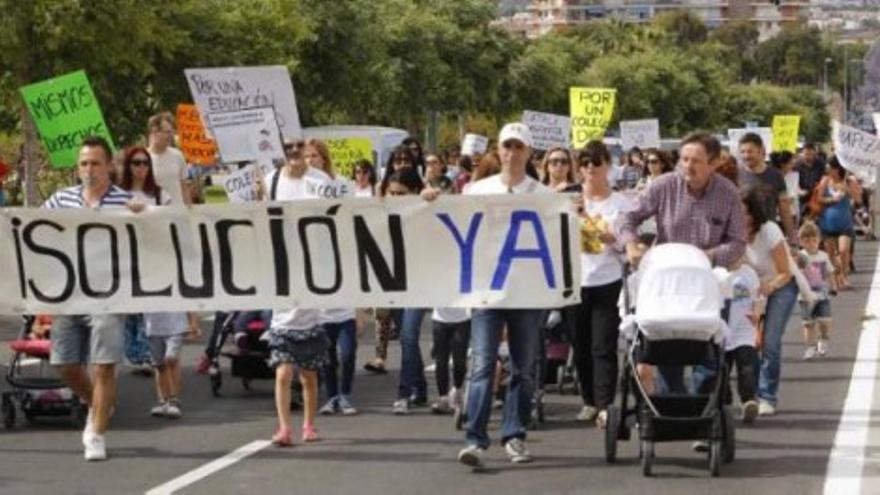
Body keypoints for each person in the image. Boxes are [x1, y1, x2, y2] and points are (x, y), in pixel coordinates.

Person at [424, 122, 550, 468]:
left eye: (518, 147)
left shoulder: (542, 195)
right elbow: (452, 225)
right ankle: (476, 439)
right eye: (506, 147)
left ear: (528, 152)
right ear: (498, 150)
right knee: (482, 365)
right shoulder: (477, 189)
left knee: (524, 368)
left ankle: (514, 435)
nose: (511, 153)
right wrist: (434, 201)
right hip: (486, 293)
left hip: (526, 294)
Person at [620, 131, 747, 394]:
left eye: (696, 161)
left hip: (708, 283)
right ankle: (674, 407)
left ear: (712, 164)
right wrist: (631, 244)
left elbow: (738, 243)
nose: (688, 166)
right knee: (667, 350)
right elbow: (628, 218)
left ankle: (700, 406)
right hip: (668, 282)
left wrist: (707, 256)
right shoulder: (663, 186)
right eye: (684, 159)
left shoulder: (729, 194)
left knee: (710, 358)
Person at [42, 136, 140, 461]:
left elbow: (157, 235)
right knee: (64, 363)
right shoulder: (60, 200)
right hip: (69, 296)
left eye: (96, 163)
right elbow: (30, 232)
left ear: (110, 165)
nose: (89, 169)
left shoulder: (126, 201)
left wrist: (145, 214)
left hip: (109, 296)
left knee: (104, 366)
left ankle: (97, 434)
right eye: (84, 163)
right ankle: (98, 404)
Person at [261, 141, 333, 446]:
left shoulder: (320, 181)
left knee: (308, 375)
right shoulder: (270, 180)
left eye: (297, 145)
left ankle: (308, 425)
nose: (292, 151)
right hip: (282, 274)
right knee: (282, 372)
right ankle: (283, 427)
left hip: (312, 276)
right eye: (286, 145)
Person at [570, 141, 632, 427]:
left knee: (602, 344)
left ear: (608, 165)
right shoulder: (569, 198)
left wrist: (614, 241)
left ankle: (605, 402)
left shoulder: (620, 203)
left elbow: (628, 245)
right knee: (580, 345)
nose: (590, 168)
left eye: (596, 162)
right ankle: (588, 399)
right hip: (575, 281)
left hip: (606, 280)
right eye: (584, 163)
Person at [741, 188, 797, 416]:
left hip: (780, 286)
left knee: (770, 342)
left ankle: (768, 396)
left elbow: (786, 272)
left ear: (753, 214)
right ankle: (750, 395)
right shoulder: (732, 233)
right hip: (751, 291)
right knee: (747, 343)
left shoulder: (769, 231)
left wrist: (770, 286)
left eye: (742, 212)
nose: (737, 216)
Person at [118, 147, 171, 375]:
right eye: (136, 163)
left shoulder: (160, 195)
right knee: (130, 311)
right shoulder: (118, 194)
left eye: (145, 163)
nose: (141, 168)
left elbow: (171, 221)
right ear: (128, 166)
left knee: (148, 307)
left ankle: (149, 353)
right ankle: (133, 354)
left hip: (152, 258)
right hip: (125, 258)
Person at [384, 168, 430, 415]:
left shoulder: (424, 214)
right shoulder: (384, 215)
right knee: (405, 335)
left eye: (401, 194)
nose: (395, 198)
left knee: (408, 336)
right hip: (395, 283)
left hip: (421, 284)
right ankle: (420, 387)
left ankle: (403, 392)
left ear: (414, 192)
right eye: (391, 193)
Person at [722, 258, 762, 423]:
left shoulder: (748, 273)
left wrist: (757, 315)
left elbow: (758, 297)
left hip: (744, 330)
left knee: (747, 366)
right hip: (721, 332)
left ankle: (748, 401)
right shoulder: (717, 273)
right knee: (721, 370)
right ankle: (725, 402)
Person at [737, 133, 795, 243]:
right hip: (745, 238)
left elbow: (784, 209)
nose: (746, 156)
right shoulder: (736, 175)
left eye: (749, 151)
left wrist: (792, 237)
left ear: (761, 151)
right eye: (742, 152)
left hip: (769, 236)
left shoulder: (776, 176)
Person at [817, 157, 859, 290]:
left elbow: (858, 199)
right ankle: (836, 277)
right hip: (827, 224)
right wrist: (831, 199)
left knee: (843, 250)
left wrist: (848, 190)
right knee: (831, 255)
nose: (826, 169)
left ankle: (845, 277)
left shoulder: (848, 181)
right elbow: (819, 198)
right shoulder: (825, 180)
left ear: (836, 168)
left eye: (829, 167)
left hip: (845, 224)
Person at [146, 312, 198, 419]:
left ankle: (173, 401)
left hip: (176, 326)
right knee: (159, 366)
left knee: (171, 360)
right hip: (153, 328)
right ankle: (163, 401)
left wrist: (193, 323)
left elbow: (187, 297)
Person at [797, 221, 836, 360]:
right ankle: (810, 348)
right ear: (801, 241)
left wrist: (833, 286)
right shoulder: (800, 256)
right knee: (808, 324)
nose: (811, 244)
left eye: (814, 240)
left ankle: (823, 339)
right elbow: (794, 274)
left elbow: (830, 272)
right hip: (805, 296)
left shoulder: (823, 256)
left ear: (819, 240)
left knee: (825, 321)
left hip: (822, 295)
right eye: (806, 241)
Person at [318, 307, 359, 416]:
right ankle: (332, 397)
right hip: (323, 318)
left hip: (347, 317)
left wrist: (360, 314)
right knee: (327, 360)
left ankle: (345, 396)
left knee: (348, 355)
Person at [429, 308, 470, 414]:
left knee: (460, 360)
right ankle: (443, 398)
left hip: (462, 320)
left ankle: (457, 390)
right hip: (439, 320)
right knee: (441, 361)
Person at [146, 112, 189, 206]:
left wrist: (189, 210)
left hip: (177, 214)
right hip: (154, 215)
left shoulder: (178, 155)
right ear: (154, 132)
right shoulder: (143, 159)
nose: (171, 135)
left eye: (172, 131)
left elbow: (184, 187)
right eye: (167, 132)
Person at [770, 151, 802, 228]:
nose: (792, 164)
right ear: (783, 164)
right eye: (790, 163)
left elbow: (793, 196)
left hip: (791, 214)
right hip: (776, 217)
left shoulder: (793, 176)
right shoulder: (771, 178)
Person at [797, 143, 826, 218]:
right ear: (802, 153)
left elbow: (824, 179)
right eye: (806, 154)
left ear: (814, 153)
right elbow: (794, 181)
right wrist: (799, 190)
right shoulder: (797, 165)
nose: (808, 156)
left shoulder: (820, 164)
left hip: (816, 198)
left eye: (810, 154)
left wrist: (819, 186)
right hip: (802, 199)